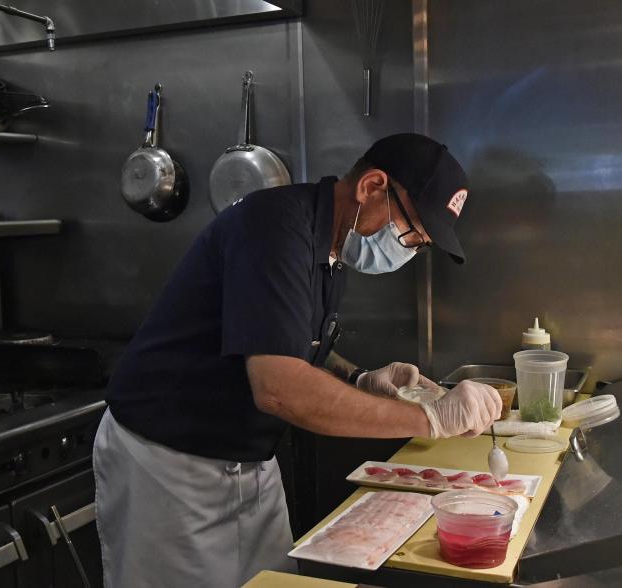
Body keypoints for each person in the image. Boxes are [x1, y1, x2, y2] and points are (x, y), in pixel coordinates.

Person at [93, 133, 503, 587]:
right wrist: (428, 417)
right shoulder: (274, 227)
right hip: (169, 464)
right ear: (371, 187)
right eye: (411, 232)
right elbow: (279, 388)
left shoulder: (327, 246)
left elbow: (292, 342)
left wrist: (360, 377)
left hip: (246, 462)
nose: (407, 247)